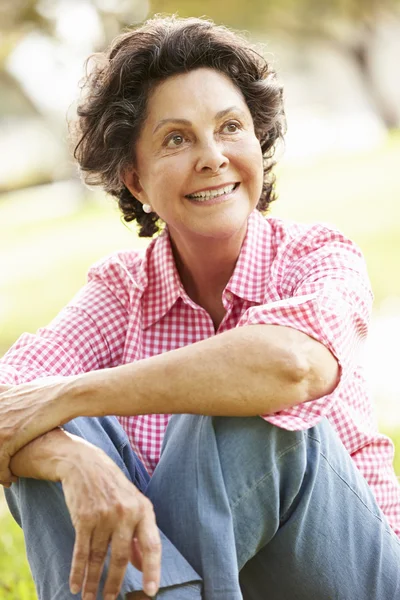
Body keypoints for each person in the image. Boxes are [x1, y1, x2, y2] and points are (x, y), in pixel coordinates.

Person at [1, 14, 400, 600]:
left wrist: (69, 395)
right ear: (135, 181)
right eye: (177, 138)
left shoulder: (317, 255)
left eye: (230, 127)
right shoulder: (120, 291)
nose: (212, 156)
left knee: (243, 409)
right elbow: (9, 402)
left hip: (353, 575)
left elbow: (291, 367)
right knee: (53, 444)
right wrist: (74, 460)